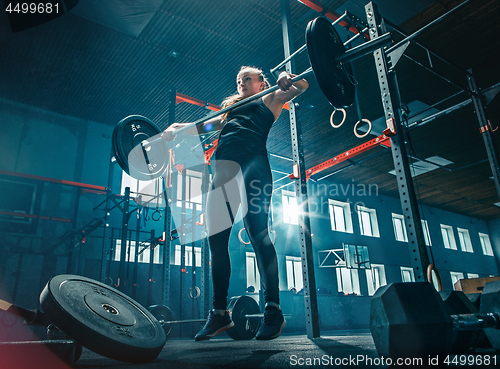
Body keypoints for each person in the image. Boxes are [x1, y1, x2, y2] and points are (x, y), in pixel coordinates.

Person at [162, 66, 308, 341]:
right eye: (239, 80)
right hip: (224, 173)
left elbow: (302, 86)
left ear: (261, 82)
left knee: (259, 237)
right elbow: (205, 126)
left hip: (254, 170)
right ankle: (219, 314)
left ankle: (273, 311)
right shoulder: (228, 113)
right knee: (216, 242)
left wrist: (289, 78)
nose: (242, 82)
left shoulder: (271, 98)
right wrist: (181, 129)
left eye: (247, 79)